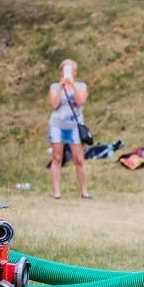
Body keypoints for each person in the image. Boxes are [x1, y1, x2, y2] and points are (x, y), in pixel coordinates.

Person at [48, 59, 91, 199]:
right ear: (61, 72)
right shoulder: (54, 87)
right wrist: (61, 87)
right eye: (65, 70)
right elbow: (54, 104)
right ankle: (57, 192)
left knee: (79, 159)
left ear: (75, 72)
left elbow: (80, 102)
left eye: (70, 70)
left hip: (75, 126)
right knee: (57, 158)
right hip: (57, 125)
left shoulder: (81, 86)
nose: (68, 72)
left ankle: (84, 191)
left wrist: (72, 86)